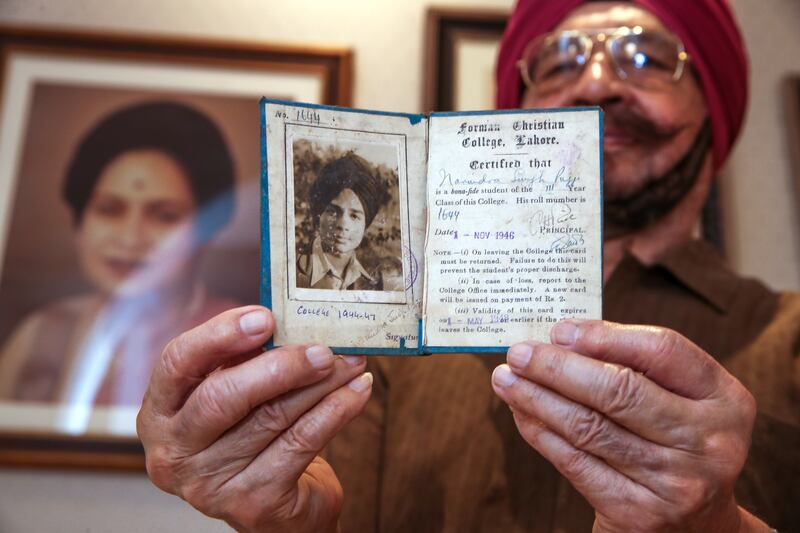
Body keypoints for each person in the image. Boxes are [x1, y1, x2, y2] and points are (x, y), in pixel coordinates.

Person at [136, 1, 799, 531]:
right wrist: (282, 522)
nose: (597, 83)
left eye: (647, 57)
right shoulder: (391, 343)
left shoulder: (790, 337)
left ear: (715, 106)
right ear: (518, 114)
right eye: (561, 61)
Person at [0, 101, 238, 407]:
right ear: (80, 221)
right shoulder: (42, 334)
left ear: (206, 231)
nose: (130, 238)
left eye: (164, 215)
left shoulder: (233, 338)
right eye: (109, 210)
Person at [296, 153, 390, 291]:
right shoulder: (292, 269)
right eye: (333, 212)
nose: (343, 225)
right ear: (318, 214)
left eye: (354, 216)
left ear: (366, 224)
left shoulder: (372, 281)